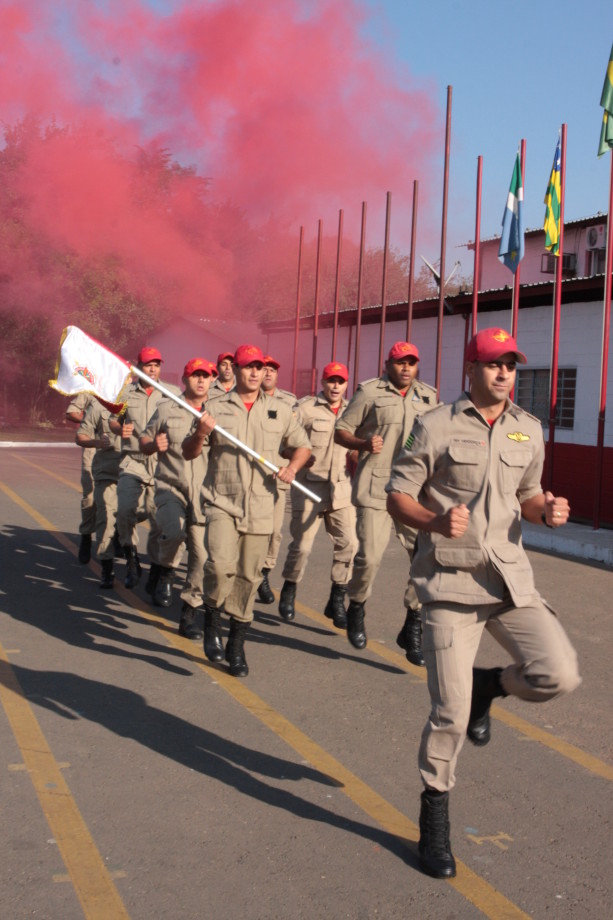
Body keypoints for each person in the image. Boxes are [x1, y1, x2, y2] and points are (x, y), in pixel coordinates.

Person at [386, 327, 581, 880]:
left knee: (558, 673)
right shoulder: (436, 425)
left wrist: (547, 511)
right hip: (451, 582)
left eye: (511, 365)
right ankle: (435, 814)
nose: (504, 373)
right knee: (449, 711)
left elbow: (528, 493)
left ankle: (490, 686)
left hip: (508, 580)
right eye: (494, 364)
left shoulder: (528, 429)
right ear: (471, 368)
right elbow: (397, 494)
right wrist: (434, 521)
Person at [183, 344, 311, 678]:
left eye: (260, 367)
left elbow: (302, 446)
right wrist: (201, 432)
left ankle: (236, 644)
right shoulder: (214, 407)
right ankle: (212, 619)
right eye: (248, 367)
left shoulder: (280, 409)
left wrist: (292, 468)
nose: (255, 372)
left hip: (261, 505)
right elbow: (189, 452)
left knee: (249, 577)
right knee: (219, 566)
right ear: (236, 370)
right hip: (222, 501)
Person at [334, 342, 437, 659]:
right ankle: (357, 606)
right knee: (369, 558)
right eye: (400, 362)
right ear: (387, 364)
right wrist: (363, 443)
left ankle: (412, 624)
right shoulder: (369, 392)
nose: (406, 368)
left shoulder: (429, 397)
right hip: (375, 488)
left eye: (411, 362)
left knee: (426, 558)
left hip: (413, 490)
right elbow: (341, 431)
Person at [140, 358, 216, 639]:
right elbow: (144, 440)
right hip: (170, 486)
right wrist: (153, 445)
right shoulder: (167, 408)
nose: (201, 380)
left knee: (202, 555)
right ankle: (165, 569)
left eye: (205, 376)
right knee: (173, 533)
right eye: (195, 375)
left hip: (204, 493)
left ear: (212, 380)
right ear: (184, 380)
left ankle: (189, 612)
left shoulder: (218, 413)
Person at [278, 362, 357, 626]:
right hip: (308, 487)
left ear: (346, 384)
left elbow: (356, 448)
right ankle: (289, 588)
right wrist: (296, 456)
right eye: (331, 380)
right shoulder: (305, 409)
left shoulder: (353, 411)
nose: (336, 386)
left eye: (340, 381)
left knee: (350, 544)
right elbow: (283, 443)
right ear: (322, 383)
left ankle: (337, 598)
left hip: (341, 489)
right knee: (301, 546)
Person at [109, 346, 179, 589]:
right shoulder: (126, 394)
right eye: (148, 365)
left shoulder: (172, 393)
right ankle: (131, 558)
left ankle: (157, 569)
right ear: (138, 367)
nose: (152, 369)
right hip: (133, 460)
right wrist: (120, 429)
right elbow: (113, 420)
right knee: (125, 510)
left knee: (158, 520)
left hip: (162, 464)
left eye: (156, 365)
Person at [256, 355, 299, 605]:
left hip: (277, 476)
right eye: (264, 369)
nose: (268, 373)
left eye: (272, 369)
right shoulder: (247, 400)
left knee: (274, 531)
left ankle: (263, 572)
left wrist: (293, 462)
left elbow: (296, 438)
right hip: (249, 474)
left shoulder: (290, 402)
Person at [75, 398, 122, 588]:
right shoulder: (98, 404)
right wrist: (98, 442)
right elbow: (78, 430)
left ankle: (127, 549)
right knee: (95, 503)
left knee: (133, 513)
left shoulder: (142, 400)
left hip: (135, 468)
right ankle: (88, 537)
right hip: (103, 464)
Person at [66, 393, 97, 563]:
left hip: (119, 450)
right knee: (90, 497)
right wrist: (91, 419)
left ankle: (118, 537)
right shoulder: (91, 389)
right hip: (93, 447)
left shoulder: (128, 388)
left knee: (120, 497)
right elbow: (71, 412)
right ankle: (86, 536)